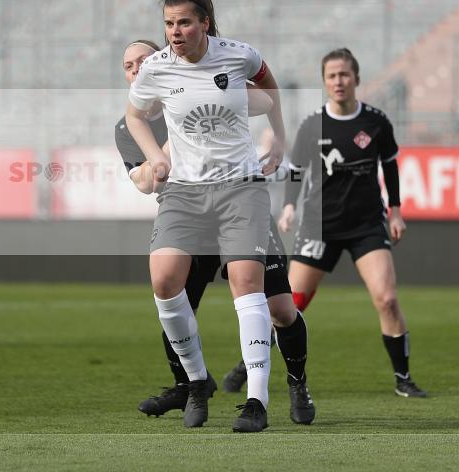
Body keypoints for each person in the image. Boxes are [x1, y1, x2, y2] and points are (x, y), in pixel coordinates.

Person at [116, 37, 314, 426]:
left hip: (238, 203)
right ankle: (190, 386)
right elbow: (142, 181)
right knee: (172, 299)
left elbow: (262, 98)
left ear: (162, 61)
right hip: (189, 216)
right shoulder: (129, 126)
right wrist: (157, 163)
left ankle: (296, 382)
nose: (136, 69)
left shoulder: (204, 80)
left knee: (281, 309)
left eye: (142, 60)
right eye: (128, 66)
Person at [279, 48, 427, 399]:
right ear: (324, 82)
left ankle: (403, 378)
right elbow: (296, 170)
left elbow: (389, 166)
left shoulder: (376, 122)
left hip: (366, 226)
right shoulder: (312, 125)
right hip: (319, 225)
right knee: (288, 306)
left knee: (387, 300)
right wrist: (288, 205)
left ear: (356, 79)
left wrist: (396, 210)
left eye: (344, 74)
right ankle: (250, 364)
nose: (338, 81)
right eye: (331, 76)